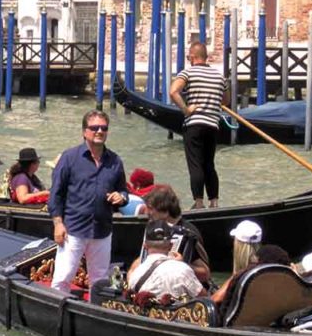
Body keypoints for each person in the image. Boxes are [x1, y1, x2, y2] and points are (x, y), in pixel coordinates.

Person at [48, 110, 129, 293]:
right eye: (94, 128)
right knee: (63, 278)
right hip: (73, 229)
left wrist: (121, 197)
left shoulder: (115, 161)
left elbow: (124, 190)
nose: (99, 131)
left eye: (104, 128)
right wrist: (58, 224)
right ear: (85, 131)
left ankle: (94, 315)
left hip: (102, 230)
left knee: (99, 281)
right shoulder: (70, 158)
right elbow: (56, 194)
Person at [170, 41, 228, 209]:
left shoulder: (188, 73)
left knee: (195, 164)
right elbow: (226, 100)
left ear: (193, 57)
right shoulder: (219, 76)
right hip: (212, 125)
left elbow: (173, 91)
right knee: (209, 163)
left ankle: (199, 202)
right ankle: (214, 202)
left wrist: (186, 110)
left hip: (194, 124)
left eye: (189, 57)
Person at [143, 185, 212, 286]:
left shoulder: (188, 234)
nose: (146, 212)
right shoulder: (153, 228)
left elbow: (205, 274)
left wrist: (182, 265)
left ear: (165, 211)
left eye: (150, 208)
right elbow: (143, 258)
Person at [127, 219, 206, 301]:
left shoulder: (134, 274)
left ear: (145, 246)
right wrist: (183, 264)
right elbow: (204, 299)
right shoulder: (182, 270)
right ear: (171, 245)